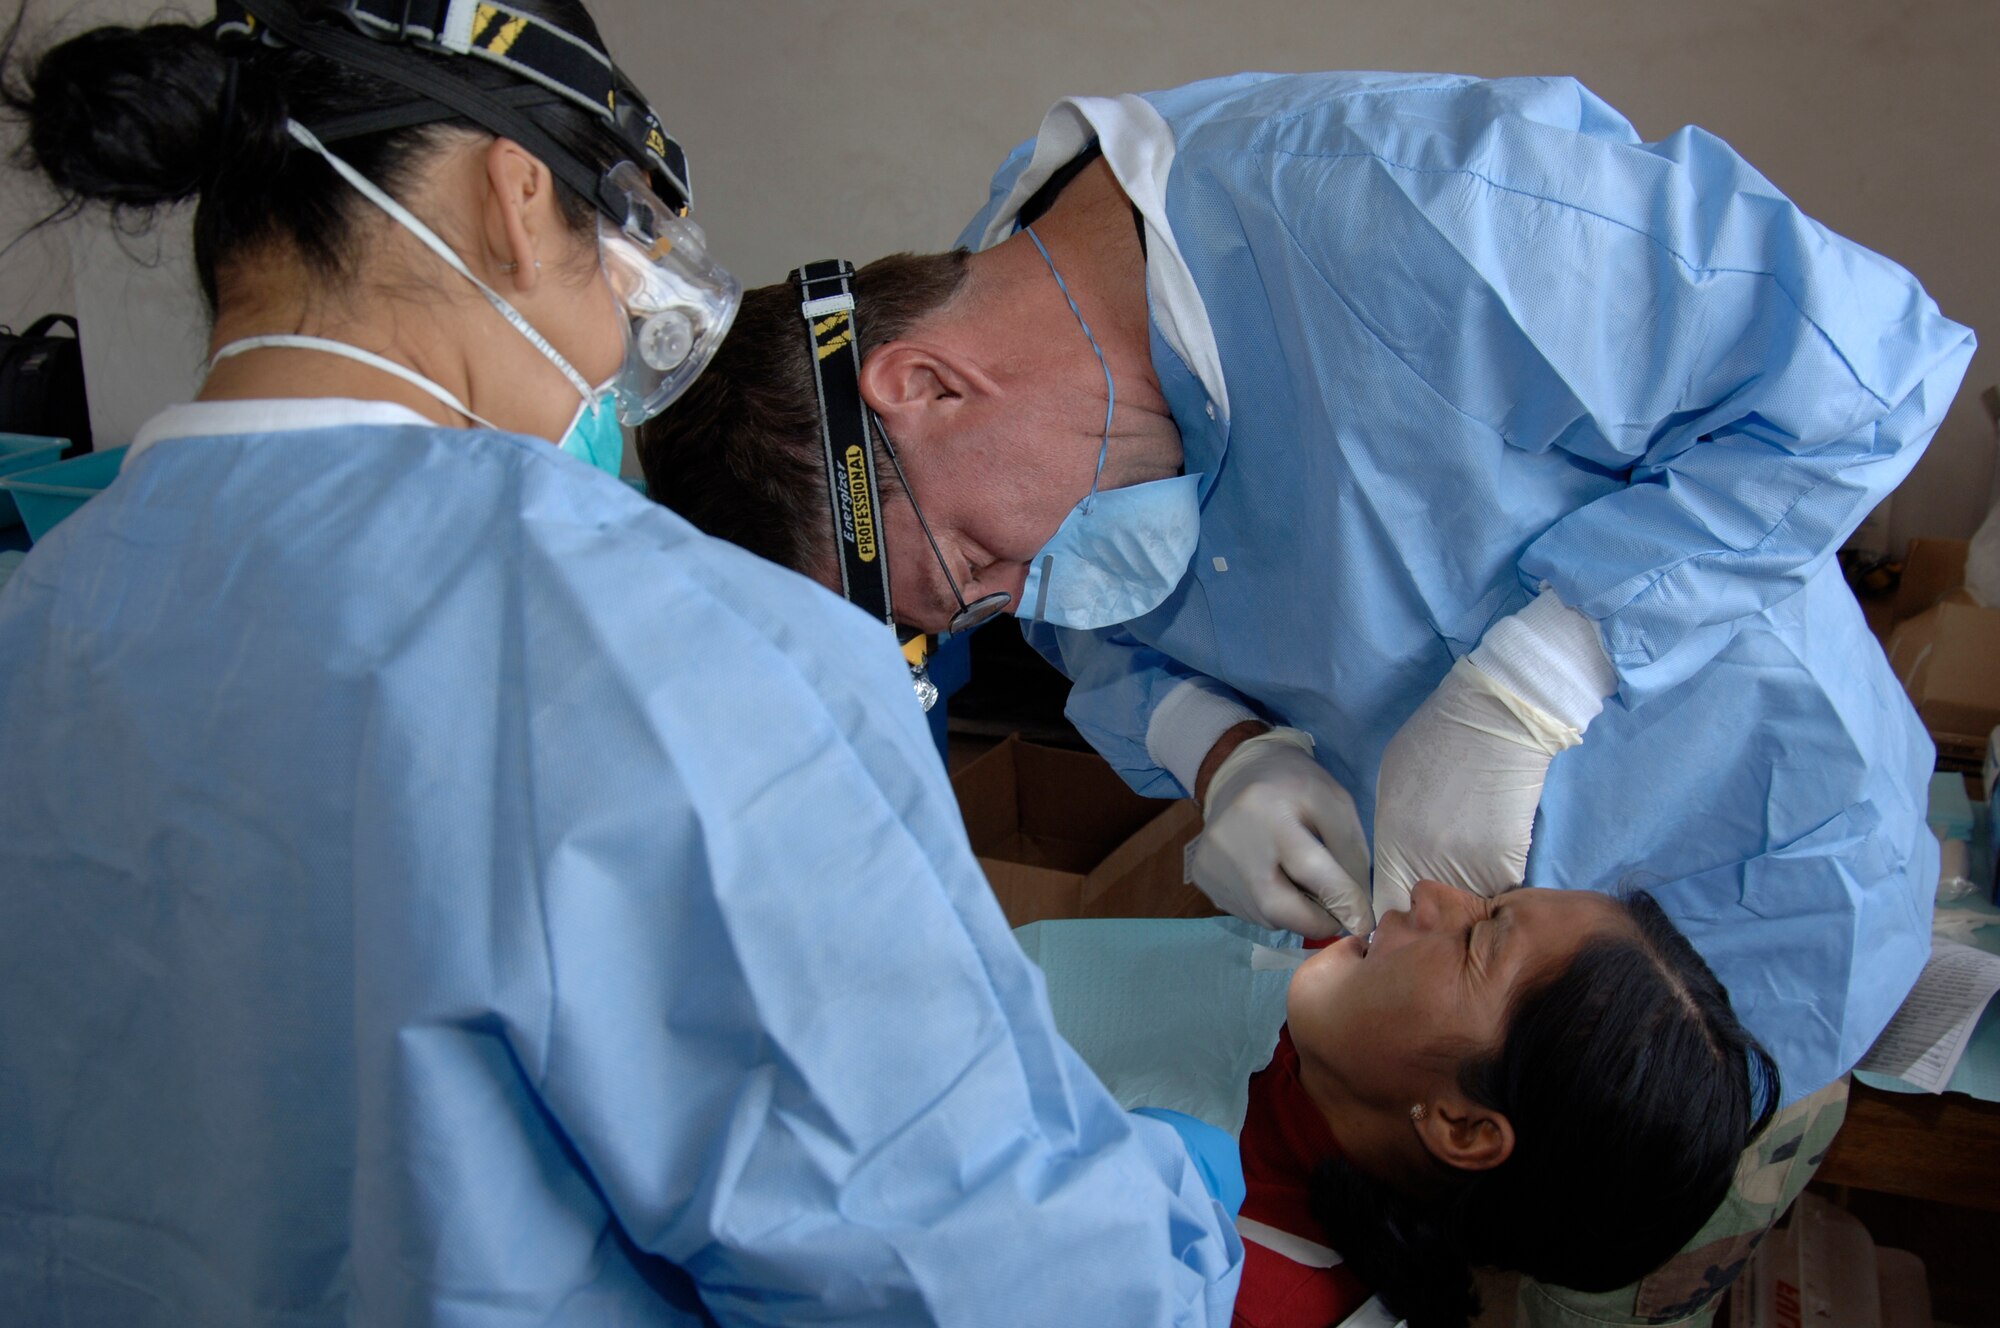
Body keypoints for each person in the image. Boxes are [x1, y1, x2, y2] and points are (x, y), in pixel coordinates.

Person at [0, 4, 1245, 1323]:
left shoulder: (49, 610)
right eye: (622, 270)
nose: (618, 350)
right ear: (517, 197)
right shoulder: (674, 645)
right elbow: (980, 1275)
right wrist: (1190, 1190)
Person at [639, 71, 1977, 1105]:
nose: (1021, 594)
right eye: (973, 607)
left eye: (977, 566)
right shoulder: (1034, 407)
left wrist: (1542, 676)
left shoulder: (1405, 205)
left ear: (924, 387)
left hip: (1770, 890)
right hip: (1461, 1048)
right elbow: (1095, 636)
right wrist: (1217, 753)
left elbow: (1862, 373)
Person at [1023, 882, 1779, 1328]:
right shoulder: (1325, 1016)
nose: (1431, 896)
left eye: (1479, 938)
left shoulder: (1226, 1295)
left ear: (1462, 1126)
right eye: (1488, 898)